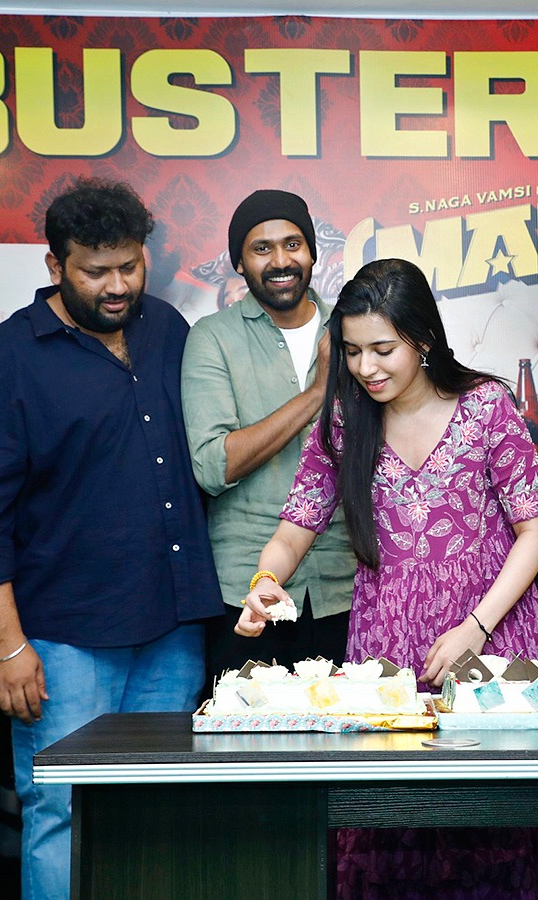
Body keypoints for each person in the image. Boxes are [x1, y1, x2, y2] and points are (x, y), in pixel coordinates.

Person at [236, 258, 538, 899]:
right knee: (391, 831)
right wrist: (265, 581)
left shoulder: (486, 407)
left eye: (383, 349)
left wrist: (475, 628)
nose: (366, 367)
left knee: (492, 834)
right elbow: (295, 529)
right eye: (352, 351)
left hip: (489, 635)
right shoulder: (345, 419)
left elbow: (535, 532)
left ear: (424, 338)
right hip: (388, 645)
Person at [0, 179, 222, 900]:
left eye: (129, 266)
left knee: (156, 809)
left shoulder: (169, 329)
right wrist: (5, 646)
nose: (117, 286)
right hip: (63, 638)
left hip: (171, 624)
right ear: (55, 265)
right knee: (60, 811)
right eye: (95, 271)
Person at [182, 189, 353, 680]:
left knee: (354, 726)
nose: (280, 261)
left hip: (347, 584)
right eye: (262, 249)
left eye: (293, 245)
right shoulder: (213, 337)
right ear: (239, 262)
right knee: (249, 726)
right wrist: (318, 393)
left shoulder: (353, 331)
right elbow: (213, 466)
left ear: (313, 253)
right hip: (247, 592)